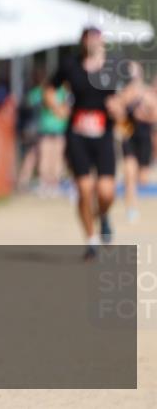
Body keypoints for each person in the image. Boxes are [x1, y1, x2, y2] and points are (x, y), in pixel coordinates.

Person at [45, 28, 125, 260]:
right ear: (82, 41)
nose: (92, 42)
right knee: (84, 189)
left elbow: (132, 88)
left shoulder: (113, 65)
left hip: (104, 133)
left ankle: (104, 216)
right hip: (77, 133)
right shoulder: (70, 65)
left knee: (106, 191)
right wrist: (56, 106)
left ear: (103, 42)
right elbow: (49, 89)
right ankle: (91, 241)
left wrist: (120, 103)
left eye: (97, 38)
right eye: (88, 38)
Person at [118, 62, 157, 223]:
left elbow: (154, 116)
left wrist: (143, 115)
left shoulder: (148, 93)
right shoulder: (123, 94)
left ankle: (137, 203)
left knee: (143, 178)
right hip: (130, 138)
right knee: (129, 174)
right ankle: (131, 207)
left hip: (145, 137)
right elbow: (119, 116)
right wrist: (125, 129)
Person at [24, 69, 69, 197]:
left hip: (59, 130)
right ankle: (45, 183)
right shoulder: (42, 91)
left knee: (57, 158)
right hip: (45, 130)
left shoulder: (62, 92)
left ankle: (54, 183)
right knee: (45, 157)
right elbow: (30, 100)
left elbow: (66, 109)